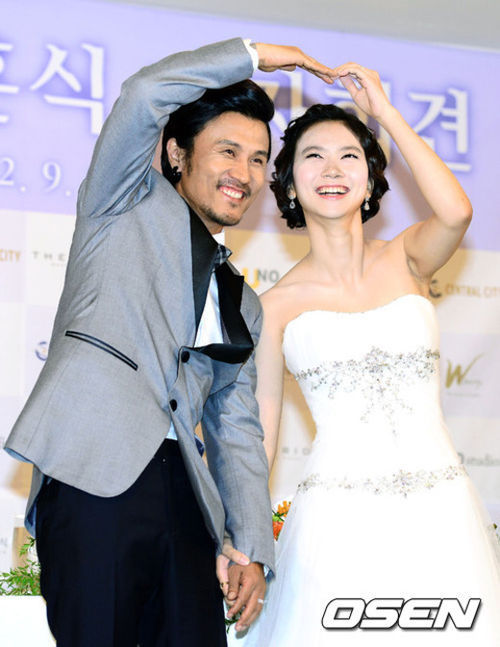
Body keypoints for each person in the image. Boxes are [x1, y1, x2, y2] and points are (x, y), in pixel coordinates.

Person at [3, 39, 337, 647]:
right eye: (228, 151)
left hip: (187, 500)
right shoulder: (123, 200)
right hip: (94, 481)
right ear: (177, 153)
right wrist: (254, 54)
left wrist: (250, 547)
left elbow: (236, 429)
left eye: (259, 159)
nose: (245, 174)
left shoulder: (243, 302)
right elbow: (143, 94)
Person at [227, 63, 500, 645]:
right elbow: (262, 435)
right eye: (313, 157)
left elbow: (457, 212)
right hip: (337, 522)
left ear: (373, 181)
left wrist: (385, 114)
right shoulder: (273, 308)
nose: (332, 169)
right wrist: (242, 540)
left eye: (349, 156)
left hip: (442, 512)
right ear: (290, 186)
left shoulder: (409, 257)